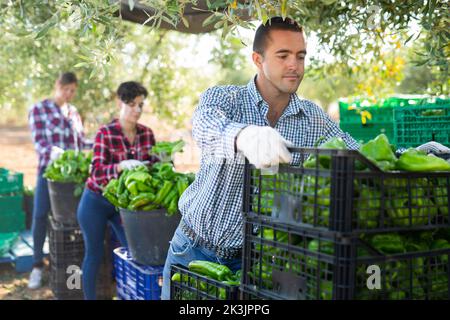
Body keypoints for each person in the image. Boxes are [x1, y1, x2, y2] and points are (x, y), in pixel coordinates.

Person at [160, 16, 360, 299]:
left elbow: (355, 153)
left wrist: (414, 154)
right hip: (191, 249)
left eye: (300, 56)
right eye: (283, 55)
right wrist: (244, 136)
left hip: (251, 263)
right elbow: (205, 128)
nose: (294, 65)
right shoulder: (225, 98)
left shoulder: (313, 119)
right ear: (257, 59)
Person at [77, 81, 157, 300]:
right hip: (95, 202)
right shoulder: (106, 133)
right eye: (132, 104)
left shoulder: (146, 134)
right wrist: (120, 166)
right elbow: (96, 173)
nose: (137, 110)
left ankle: (130, 294)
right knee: (93, 254)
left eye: (141, 105)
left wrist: (163, 165)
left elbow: (154, 166)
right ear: (119, 103)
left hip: (123, 206)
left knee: (134, 251)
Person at [28, 72, 91, 289]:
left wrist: (97, 145)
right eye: (66, 89)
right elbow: (39, 143)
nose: (69, 94)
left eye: (73, 90)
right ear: (57, 85)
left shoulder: (73, 112)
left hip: (73, 179)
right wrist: (54, 153)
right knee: (39, 215)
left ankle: (68, 264)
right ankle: (37, 265)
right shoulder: (39, 109)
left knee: (71, 221)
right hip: (49, 174)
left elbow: (81, 143)